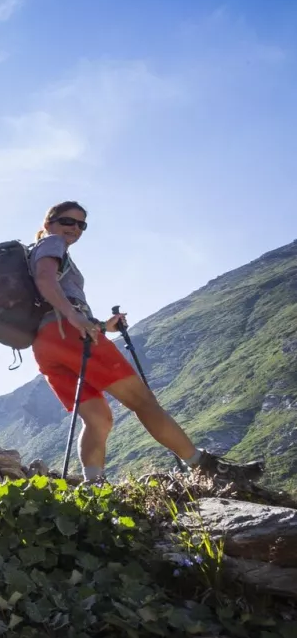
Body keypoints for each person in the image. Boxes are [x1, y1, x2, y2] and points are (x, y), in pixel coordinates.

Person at [29, 200, 248, 484]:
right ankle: (204, 467)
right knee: (143, 402)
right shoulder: (52, 243)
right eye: (67, 221)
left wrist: (102, 326)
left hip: (45, 345)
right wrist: (73, 316)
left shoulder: (37, 251)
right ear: (49, 223)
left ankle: (94, 487)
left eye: (81, 224)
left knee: (97, 418)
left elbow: (49, 299)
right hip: (67, 333)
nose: (74, 229)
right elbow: (47, 281)